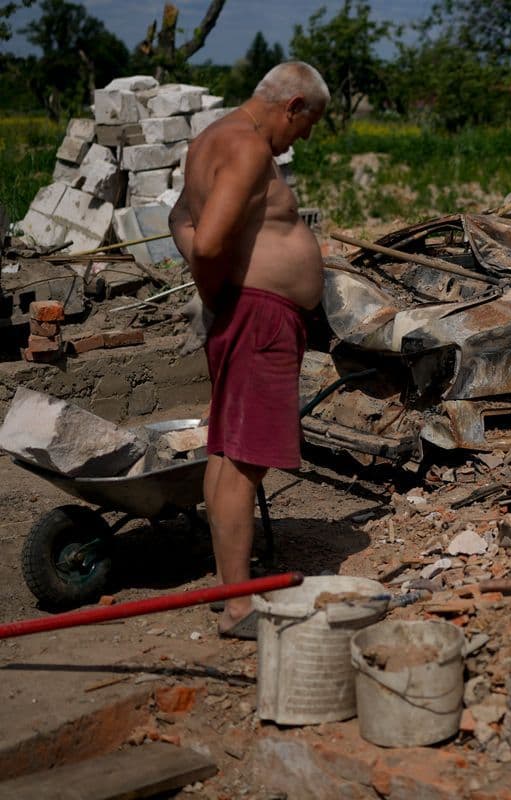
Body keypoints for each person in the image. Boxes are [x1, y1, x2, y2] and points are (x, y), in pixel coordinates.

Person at [168, 62, 329, 639]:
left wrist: (220, 301)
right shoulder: (249, 149)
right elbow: (208, 242)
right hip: (259, 317)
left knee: (226, 452)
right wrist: (219, 293)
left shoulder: (208, 140)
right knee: (244, 461)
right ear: (292, 105)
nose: (304, 138)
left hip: (247, 311)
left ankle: (226, 584)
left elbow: (178, 219)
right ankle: (239, 606)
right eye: (308, 123)